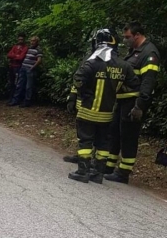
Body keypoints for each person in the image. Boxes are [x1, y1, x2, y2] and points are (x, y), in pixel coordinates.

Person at [68, 28, 140, 184]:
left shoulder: (92, 63)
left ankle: (83, 171)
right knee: (103, 143)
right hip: (108, 113)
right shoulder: (124, 65)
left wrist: (81, 95)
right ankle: (98, 174)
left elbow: (78, 79)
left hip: (88, 110)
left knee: (85, 141)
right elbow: (134, 85)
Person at [104, 22, 161, 184]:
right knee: (115, 132)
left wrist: (140, 106)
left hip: (133, 102)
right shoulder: (134, 51)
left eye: (127, 37)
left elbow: (148, 83)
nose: (125, 40)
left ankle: (123, 172)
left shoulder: (149, 53)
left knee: (128, 136)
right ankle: (108, 165)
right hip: (123, 100)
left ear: (137, 35)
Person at [8, 36, 43, 107]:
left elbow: (39, 60)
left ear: (37, 42)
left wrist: (32, 67)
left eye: (33, 41)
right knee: (19, 85)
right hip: (23, 67)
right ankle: (15, 100)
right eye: (31, 41)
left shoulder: (38, 49)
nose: (32, 42)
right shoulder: (29, 48)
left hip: (30, 69)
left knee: (28, 86)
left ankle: (27, 102)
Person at [7, 33, 28, 103]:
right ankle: (10, 98)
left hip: (19, 67)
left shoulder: (25, 47)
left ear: (24, 40)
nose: (20, 41)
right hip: (12, 67)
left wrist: (14, 56)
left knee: (18, 84)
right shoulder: (15, 47)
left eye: (22, 39)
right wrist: (16, 55)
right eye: (19, 39)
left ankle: (16, 100)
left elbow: (21, 57)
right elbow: (9, 55)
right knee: (11, 83)